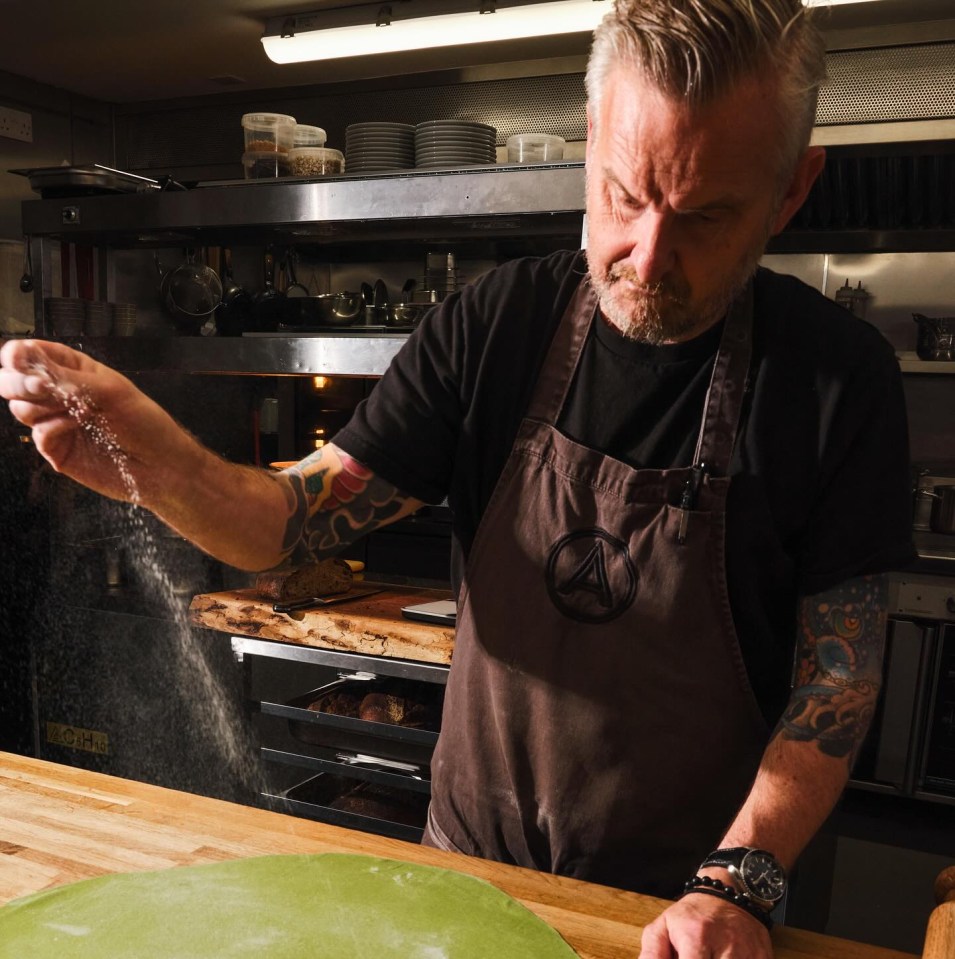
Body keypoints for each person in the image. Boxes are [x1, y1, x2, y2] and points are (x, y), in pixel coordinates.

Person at [0, 0, 916, 955]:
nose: (647, 255)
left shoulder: (834, 381)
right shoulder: (497, 327)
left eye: (706, 214)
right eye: (622, 193)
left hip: (692, 913)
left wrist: (739, 881)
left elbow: (837, 682)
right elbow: (284, 524)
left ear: (790, 191)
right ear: (592, 137)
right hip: (466, 883)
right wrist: (161, 463)